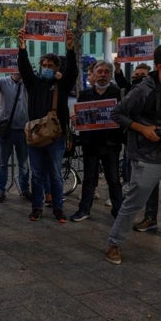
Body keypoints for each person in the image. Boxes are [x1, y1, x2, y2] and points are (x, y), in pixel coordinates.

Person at [105, 45, 161, 265]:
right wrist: (143, 129)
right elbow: (116, 114)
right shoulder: (142, 90)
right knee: (135, 202)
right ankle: (114, 243)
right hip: (146, 155)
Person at [17, 27, 78, 222]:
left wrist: (70, 49)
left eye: (50, 65)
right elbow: (24, 68)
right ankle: (37, 208)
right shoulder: (34, 84)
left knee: (56, 174)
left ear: (57, 68)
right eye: (43, 64)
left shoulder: (62, 85)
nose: (46, 67)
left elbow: (72, 72)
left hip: (56, 137)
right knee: (36, 175)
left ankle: (58, 209)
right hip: (35, 137)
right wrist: (22, 47)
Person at [69, 61, 123, 221]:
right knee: (89, 179)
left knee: (113, 179)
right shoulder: (85, 94)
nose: (103, 74)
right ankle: (84, 210)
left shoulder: (118, 93)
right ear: (93, 75)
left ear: (111, 75)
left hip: (111, 144)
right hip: (90, 144)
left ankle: (118, 211)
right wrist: (76, 119)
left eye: (106, 72)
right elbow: (81, 117)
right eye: (99, 71)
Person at [0, 71, 30, 202]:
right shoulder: (3, 81)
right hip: (6, 130)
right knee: (2, 163)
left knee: (23, 163)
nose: (17, 70)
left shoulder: (28, 83)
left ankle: (24, 189)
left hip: (23, 129)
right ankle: (0, 189)